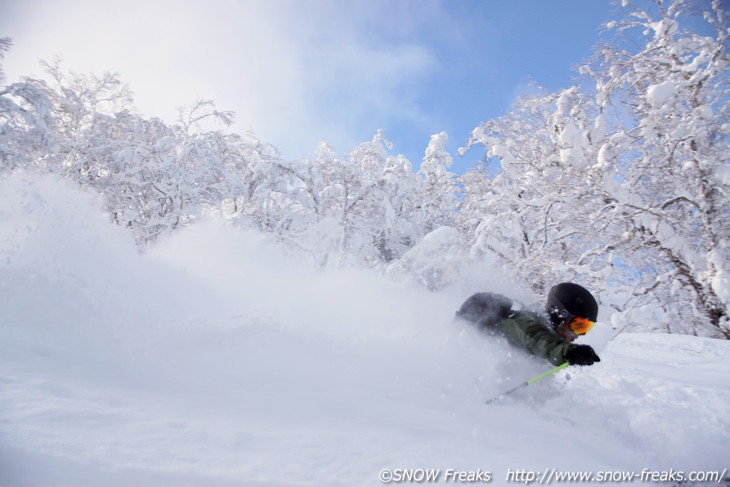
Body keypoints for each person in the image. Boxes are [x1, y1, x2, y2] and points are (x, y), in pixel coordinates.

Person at [457, 282, 601, 366]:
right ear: (560, 315)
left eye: (586, 328)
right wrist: (567, 352)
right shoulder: (524, 321)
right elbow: (537, 339)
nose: (578, 335)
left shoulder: (545, 327)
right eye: (578, 326)